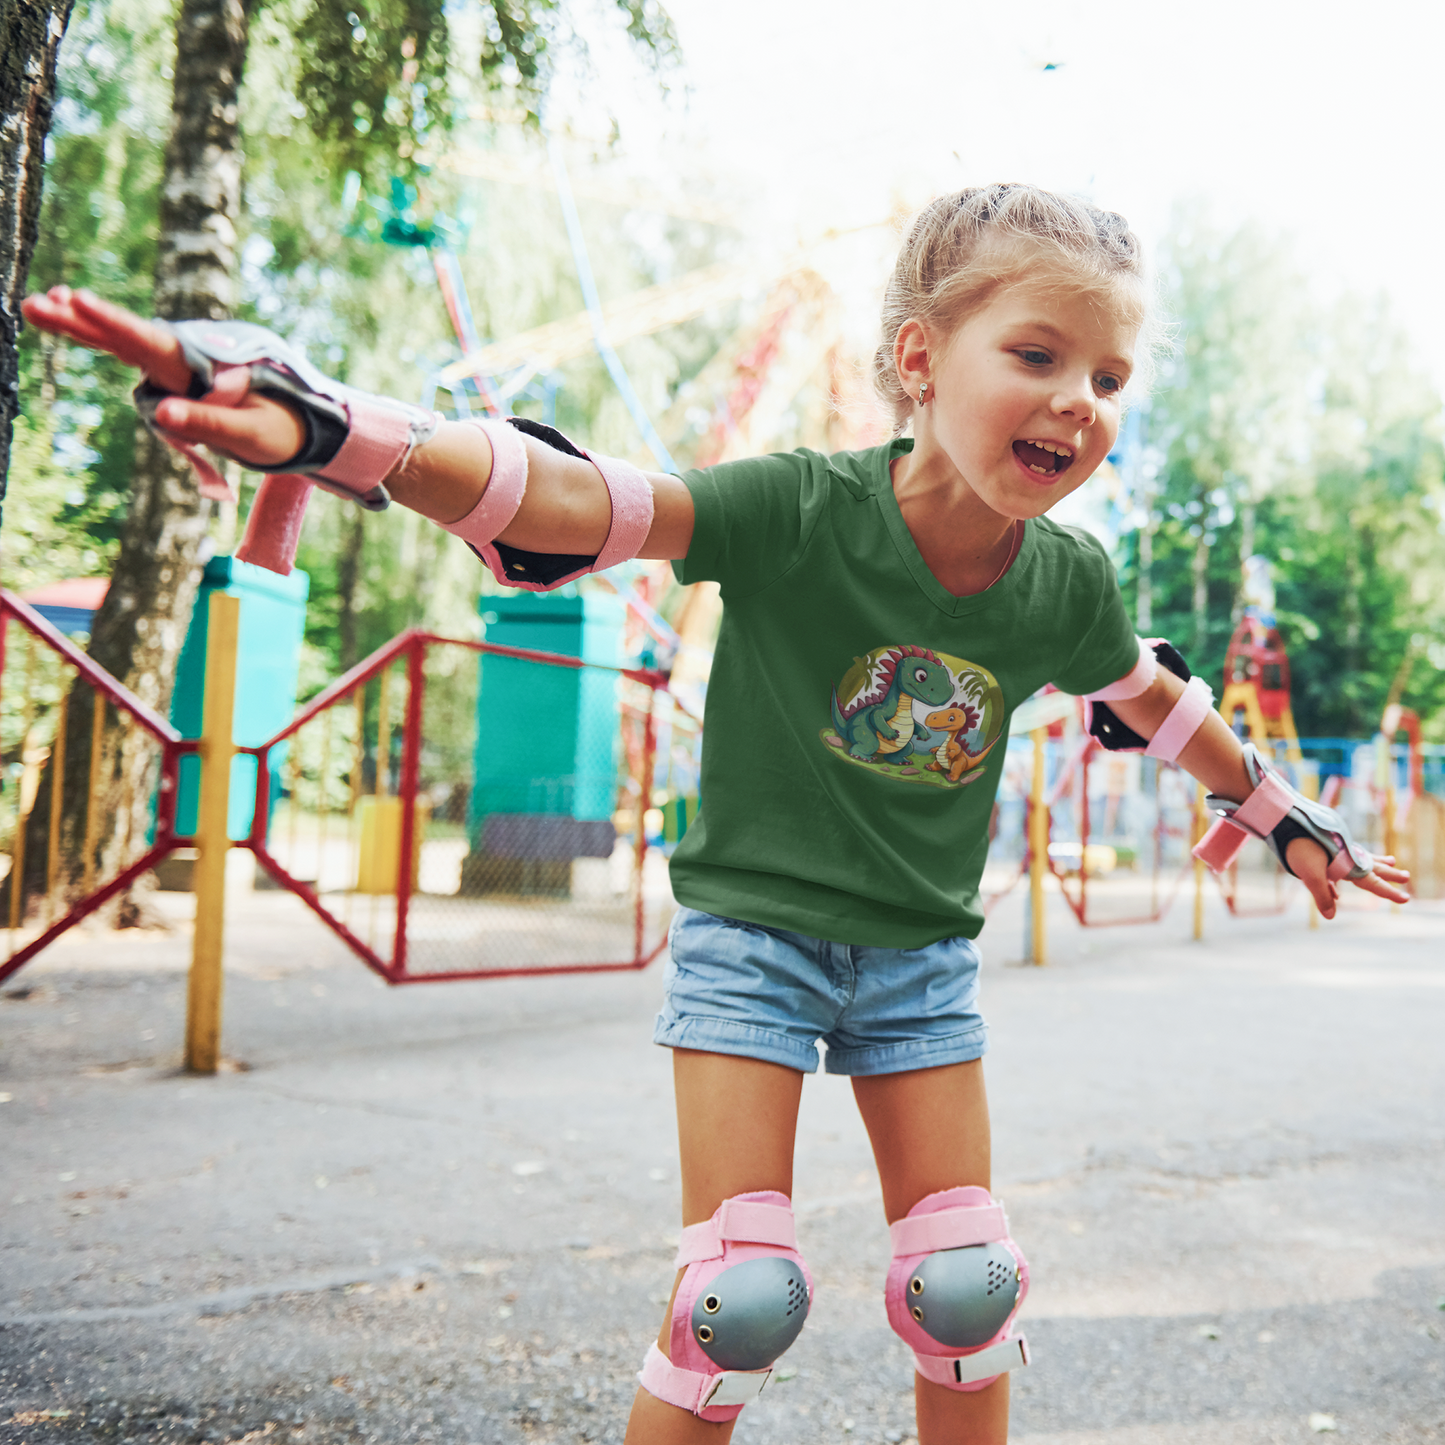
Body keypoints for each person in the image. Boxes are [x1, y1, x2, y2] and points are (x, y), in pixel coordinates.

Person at [23, 183, 1409, 1444]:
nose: (1079, 402)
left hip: (922, 962)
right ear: (921, 361)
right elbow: (575, 498)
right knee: (738, 1298)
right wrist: (334, 428)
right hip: (755, 940)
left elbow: (1155, 700)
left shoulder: (1067, 582)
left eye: (1108, 375)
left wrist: (1283, 811)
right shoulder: (799, 509)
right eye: (1037, 356)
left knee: (968, 1289)